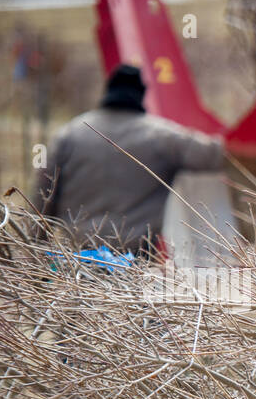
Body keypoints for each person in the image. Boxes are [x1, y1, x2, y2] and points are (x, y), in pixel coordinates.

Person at [33, 64, 225, 257]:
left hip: (75, 259)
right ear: (141, 94)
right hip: (133, 264)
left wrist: (33, 250)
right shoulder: (163, 137)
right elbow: (216, 156)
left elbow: (43, 196)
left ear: (108, 90)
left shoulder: (70, 134)